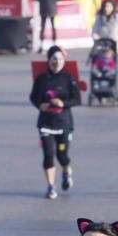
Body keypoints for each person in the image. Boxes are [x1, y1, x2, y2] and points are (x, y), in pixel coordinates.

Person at [29, 46, 81, 200]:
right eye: (54, 59)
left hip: (64, 124)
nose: (56, 62)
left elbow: (77, 99)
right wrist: (40, 105)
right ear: (49, 60)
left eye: (60, 59)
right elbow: (33, 97)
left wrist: (62, 103)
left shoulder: (68, 79)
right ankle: (51, 186)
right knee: (48, 155)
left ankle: (66, 171)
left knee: (62, 155)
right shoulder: (41, 79)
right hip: (45, 123)